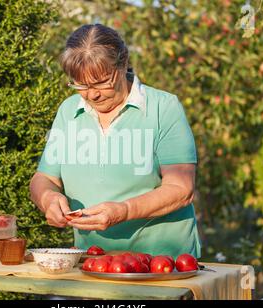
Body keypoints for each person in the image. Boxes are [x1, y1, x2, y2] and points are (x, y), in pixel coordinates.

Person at [30, 24, 201, 259]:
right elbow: (44, 178)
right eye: (81, 85)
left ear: (122, 64)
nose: (92, 95)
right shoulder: (68, 111)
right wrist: (47, 198)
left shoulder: (163, 108)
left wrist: (123, 211)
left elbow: (181, 189)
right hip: (92, 258)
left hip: (160, 261)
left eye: (101, 82)